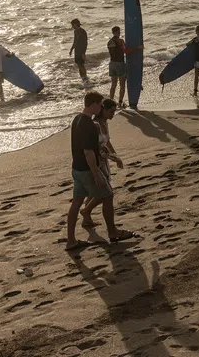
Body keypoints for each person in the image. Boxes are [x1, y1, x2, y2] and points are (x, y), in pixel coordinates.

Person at [66, 92, 121, 249]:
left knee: (76, 203)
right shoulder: (89, 124)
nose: (101, 108)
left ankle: (71, 240)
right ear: (93, 104)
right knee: (108, 195)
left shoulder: (77, 119)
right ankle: (112, 232)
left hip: (76, 168)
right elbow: (88, 151)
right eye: (100, 105)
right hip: (87, 170)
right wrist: (96, 173)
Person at [79, 99, 129, 233]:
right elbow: (97, 149)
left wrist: (115, 155)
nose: (113, 114)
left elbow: (107, 142)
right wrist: (114, 159)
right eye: (111, 111)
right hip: (97, 162)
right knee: (104, 192)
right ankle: (86, 211)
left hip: (104, 161)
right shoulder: (95, 125)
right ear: (104, 110)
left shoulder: (104, 123)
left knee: (94, 191)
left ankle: (86, 218)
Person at [107, 26, 127, 105]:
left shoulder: (109, 42)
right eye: (118, 32)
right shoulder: (120, 41)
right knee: (122, 84)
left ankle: (110, 101)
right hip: (119, 63)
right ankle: (120, 102)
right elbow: (126, 50)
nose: (119, 33)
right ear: (116, 32)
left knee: (113, 84)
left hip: (112, 64)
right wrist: (138, 48)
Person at [69, 18, 89, 84]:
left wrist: (83, 53)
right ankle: (82, 78)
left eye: (72, 25)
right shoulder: (75, 31)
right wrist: (71, 49)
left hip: (81, 51)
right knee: (78, 64)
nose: (72, 26)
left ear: (76, 24)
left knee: (81, 64)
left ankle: (85, 77)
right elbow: (74, 41)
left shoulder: (82, 31)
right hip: (77, 51)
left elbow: (85, 43)